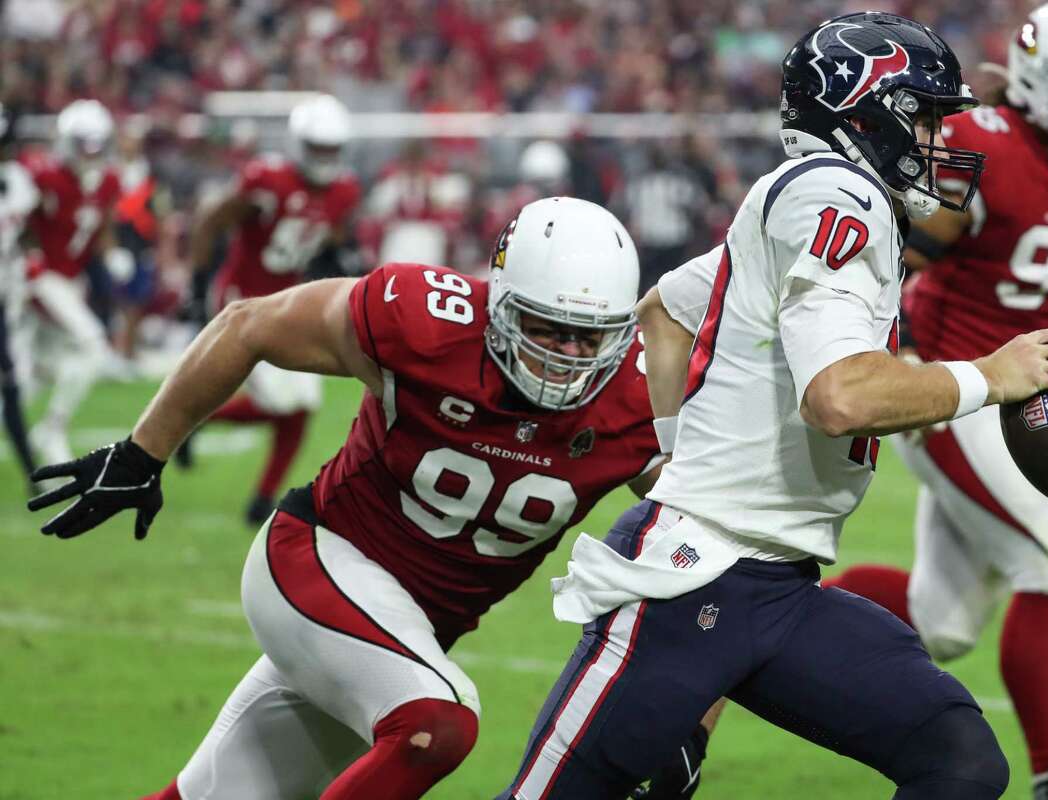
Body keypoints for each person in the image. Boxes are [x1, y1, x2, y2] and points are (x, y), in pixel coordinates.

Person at [496, 13, 1048, 800]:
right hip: (691, 582)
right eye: (922, 117)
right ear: (862, 113)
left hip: (776, 588)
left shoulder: (800, 196)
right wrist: (989, 375)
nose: (940, 141)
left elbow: (666, 318)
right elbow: (839, 398)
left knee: (960, 760)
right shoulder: (837, 197)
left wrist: (674, 452)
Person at [28, 197, 713, 800]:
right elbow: (248, 325)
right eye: (544, 328)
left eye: (588, 336)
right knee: (438, 722)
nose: (567, 356)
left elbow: (701, 546)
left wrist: (696, 706)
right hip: (316, 561)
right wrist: (143, 452)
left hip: (400, 637)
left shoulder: (639, 399)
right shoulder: (423, 321)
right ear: (500, 304)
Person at [822, 4, 1048, 798]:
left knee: (938, 622)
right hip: (960, 384)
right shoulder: (984, 146)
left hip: (1038, 378)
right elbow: (896, 251)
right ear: (1040, 79)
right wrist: (900, 345)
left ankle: (770, 625)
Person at [182, 93, 361, 525]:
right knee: (284, 403)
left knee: (299, 405)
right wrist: (197, 286)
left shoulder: (344, 190)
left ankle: (260, 497)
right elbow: (211, 222)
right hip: (242, 298)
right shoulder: (267, 179)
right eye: (318, 148)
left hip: (286, 300)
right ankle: (192, 416)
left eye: (331, 149)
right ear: (300, 144)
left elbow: (331, 247)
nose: (325, 157)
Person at [16, 99, 126, 467]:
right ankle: (53, 429)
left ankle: (35, 428)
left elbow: (102, 226)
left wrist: (112, 254)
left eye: (97, 144)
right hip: (37, 275)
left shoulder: (107, 180)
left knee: (34, 372)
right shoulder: (42, 174)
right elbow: (17, 220)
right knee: (92, 343)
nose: (91, 152)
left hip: (69, 279)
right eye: (84, 144)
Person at [0, 101, 39, 490]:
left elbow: (27, 231)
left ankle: (30, 471)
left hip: (4, 296)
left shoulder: (17, 180)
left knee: (11, 385)